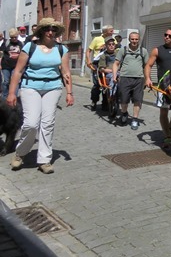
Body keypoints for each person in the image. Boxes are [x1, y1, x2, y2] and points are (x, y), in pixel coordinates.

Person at [7, 18, 74, 174]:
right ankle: (20, 153)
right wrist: (11, 93)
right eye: (47, 29)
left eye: (53, 29)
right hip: (31, 86)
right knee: (31, 123)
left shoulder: (61, 49)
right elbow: (18, 71)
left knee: (48, 123)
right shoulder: (30, 47)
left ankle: (44, 160)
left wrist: (69, 92)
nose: (50, 32)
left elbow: (65, 72)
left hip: (53, 87)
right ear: (41, 31)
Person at [144, 28, 171, 148]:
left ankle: (169, 127)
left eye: (170, 36)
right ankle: (167, 136)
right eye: (165, 35)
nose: (167, 37)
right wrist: (147, 79)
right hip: (163, 87)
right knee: (164, 111)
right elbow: (148, 65)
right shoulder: (157, 50)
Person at [112, 31, 149, 130]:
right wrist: (114, 76)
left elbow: (147, 66)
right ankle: (124, 113)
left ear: (139, 40)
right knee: (123, 100)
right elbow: (116, 64)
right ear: (129, 39)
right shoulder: (123, 50)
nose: (134, 41)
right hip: (124, 78)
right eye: (132, 39)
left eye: (136, 39)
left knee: (137, 100)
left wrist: (147, 79)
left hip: (139, 79)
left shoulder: (143, 51)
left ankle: (135, 119)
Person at [86, 25, 114, 111]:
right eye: (111, 31)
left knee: (107, 84)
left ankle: (105, 103)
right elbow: (89, 50)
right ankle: (94, 101)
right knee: (97, 84)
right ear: (105, 32)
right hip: (97, 63)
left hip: (108, 62)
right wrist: (88, 61)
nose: (112, 32)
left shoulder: (113, 40)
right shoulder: (97, 39)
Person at [0, 29, 23, 99]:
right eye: (12, 37)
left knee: (15, 81)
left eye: (15, 37)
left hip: (16, 66)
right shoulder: (6, 43)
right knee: (5, 82)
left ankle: (14, 97)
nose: (14, 39)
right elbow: (1, 54)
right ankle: (4, 97)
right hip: (6, 66)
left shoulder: (20, 44)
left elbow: (23, 54)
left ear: (17, 36)